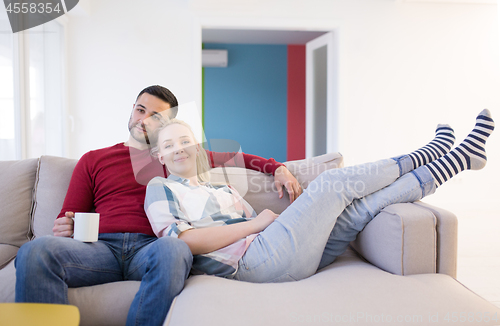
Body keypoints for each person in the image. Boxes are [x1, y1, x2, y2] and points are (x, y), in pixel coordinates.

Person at [14, 85, 301, 326]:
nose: (144, 119)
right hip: (99, 250)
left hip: (152, 249)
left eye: (155, 116)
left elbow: (238, 157)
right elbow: (69, 216)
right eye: (140, 110)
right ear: (132, 110)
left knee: (176, 247)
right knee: (35, 251)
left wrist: (277, 168)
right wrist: (65, 224)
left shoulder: (174, 154)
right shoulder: (94, 159)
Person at [145, 110, 494, 283]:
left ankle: (455, 161)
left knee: (359, 212)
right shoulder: (160, 188)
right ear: (159, 156)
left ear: (197, 147)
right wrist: (256, 223)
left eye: (185, 141)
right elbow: (183, 242)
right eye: (169, 145)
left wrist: (299, 219)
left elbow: (267, 226)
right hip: (250, 266)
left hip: (280, 249)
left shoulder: (222, 188)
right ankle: (429, 152)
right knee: (330, 185)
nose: (179, 149)